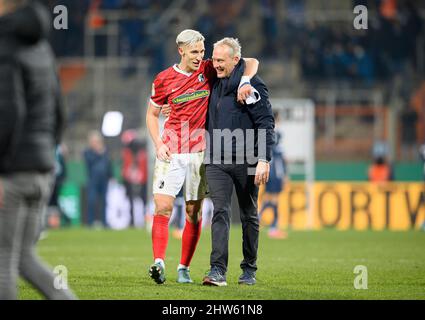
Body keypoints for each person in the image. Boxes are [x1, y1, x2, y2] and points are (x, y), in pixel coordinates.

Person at [146, 29, 259, 284]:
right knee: (162, 207)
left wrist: (245, 80)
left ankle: (183, 267)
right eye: (195, 52)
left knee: (193, 212)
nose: (200, 57)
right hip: (171, 149)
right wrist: (157, 143)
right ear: (181, 51)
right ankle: (158, 263)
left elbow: (251, 62)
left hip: (199, 152)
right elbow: (152, 114)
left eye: (202, 51)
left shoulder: (208, 69)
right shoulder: (163, 78)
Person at [0, 0, 76, 299]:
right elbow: (60, 112)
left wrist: (3, 169)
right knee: (23, 258)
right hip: (43, 170)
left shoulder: (7, 48)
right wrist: (47, 153)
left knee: (3, 260)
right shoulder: (43, 47)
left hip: (13, 173)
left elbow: (10, 114)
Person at [202, 38, 275, 287]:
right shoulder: (212, 78)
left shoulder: (252, 85)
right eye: (214, 59)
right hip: (216, 160)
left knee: (248, 214)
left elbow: (266, 122)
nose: (216, 65)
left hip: (247, 160)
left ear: (236, 60)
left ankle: (249, 269)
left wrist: (264, 159)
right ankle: (217, 270)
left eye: (221, 60)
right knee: (219, 211)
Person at [259, 113, 288, 240]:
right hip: (275, 170)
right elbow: (281, 156)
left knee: (268, 197)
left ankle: (258, 220)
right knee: (274, 198)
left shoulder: (266, 133)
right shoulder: (276, 135)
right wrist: (285, 174)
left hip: (268, 168)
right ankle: (273, 227)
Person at [83, 130, 113, 228]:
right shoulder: (88, 152)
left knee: (104, 201)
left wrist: (111, 176)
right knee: (91, 201)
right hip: (93, 180)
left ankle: (104, 222)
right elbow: (90, 163)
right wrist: (98, 153)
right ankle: (90, 222)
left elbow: (108, 165)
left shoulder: (105, 151)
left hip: (104, 180)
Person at [121, 129, 148, 227]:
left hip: (141, 181)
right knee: (130, 201)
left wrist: (139, 177)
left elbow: (143, 169)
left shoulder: (142, 154)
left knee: (143, 200)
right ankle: (132, 221)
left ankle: (145, 220)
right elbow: (125, 168)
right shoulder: (127, 153)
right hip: (130, 180)